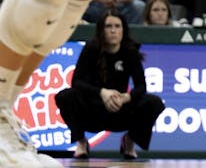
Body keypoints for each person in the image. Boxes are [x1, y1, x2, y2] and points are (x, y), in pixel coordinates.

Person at [55, 12, 165, 159]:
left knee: (154, 102)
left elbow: (141, 86)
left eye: (117, 26)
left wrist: (126, 97)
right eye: (108, 26)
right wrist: (102, 93)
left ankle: (129, 141)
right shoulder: (91, 49)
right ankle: (81, 142)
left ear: (123, 30)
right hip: (93, 109)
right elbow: (77, 82)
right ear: (101, 30)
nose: (113, 30)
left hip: (119, 108)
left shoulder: (130, 51)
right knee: (65, 96)